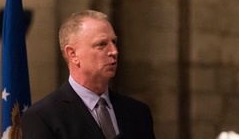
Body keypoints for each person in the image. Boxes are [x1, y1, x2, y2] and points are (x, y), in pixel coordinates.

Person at [21, 10, 156, 139]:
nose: (114, 51)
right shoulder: (43, 116)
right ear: (72, 54)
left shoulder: (138, 112)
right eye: (101, 44)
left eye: (114, 42)